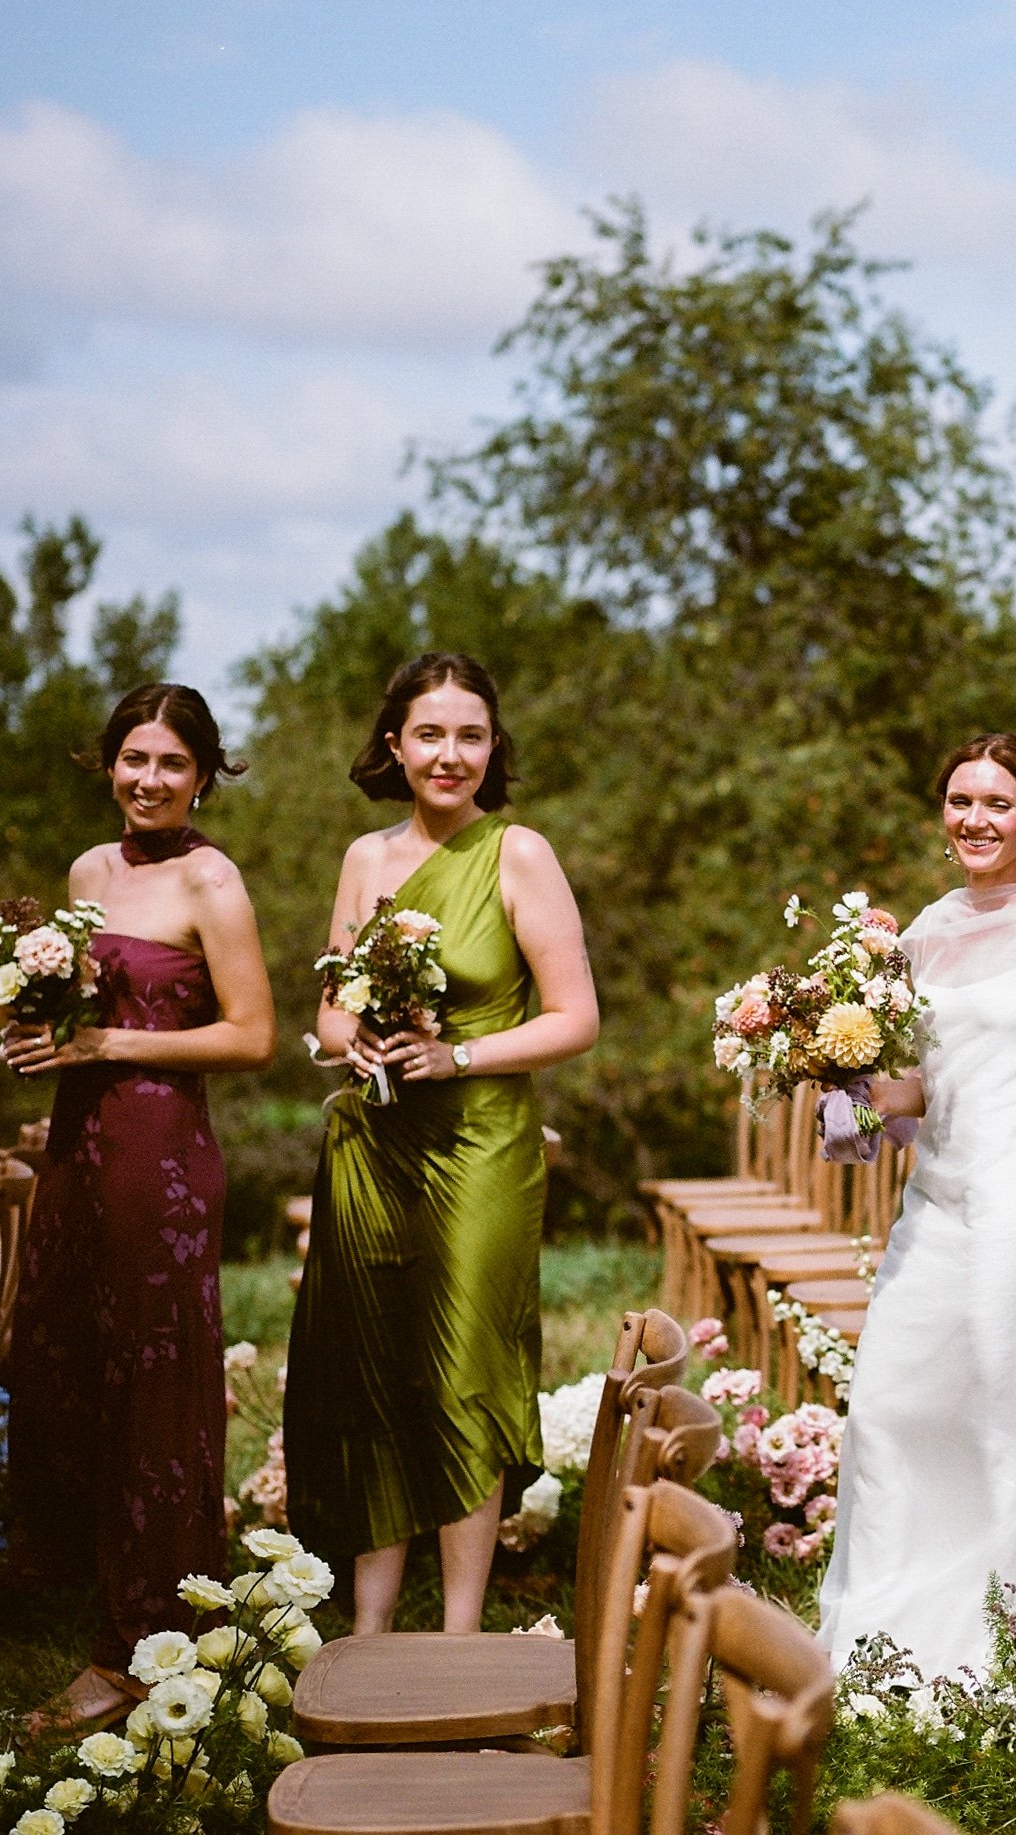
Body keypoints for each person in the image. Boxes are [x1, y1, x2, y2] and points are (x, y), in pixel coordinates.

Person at [285, 654, 598, 1634]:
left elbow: (575, 1017)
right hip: (371, 1145)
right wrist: (361, 1038)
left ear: (492, 747)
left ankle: (462, 1633)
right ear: (395, 746)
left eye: (469, 735)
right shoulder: (363, 859)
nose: (448, 753)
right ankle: (370, 1624)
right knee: (372, 1367)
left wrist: (455, 1056)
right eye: (429, 733)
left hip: (481, 1147)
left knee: (466, 1368)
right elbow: (330, 1016)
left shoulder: (519, 853)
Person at [5, 683, 276, 1732]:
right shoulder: (86, 871)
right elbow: (77, 1011)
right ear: (107, 764)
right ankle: (76, 1576)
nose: (148, 778)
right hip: (79, 1144)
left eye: (171, 762)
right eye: (132, 758)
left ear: (204, 773)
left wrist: (108, 1044)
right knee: (64, 1357)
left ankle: (143, 1642)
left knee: (155, 1381)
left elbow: (252, 1034)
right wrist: (38, 1037)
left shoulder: (214, 879)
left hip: (160, 1160)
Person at [817, 735, 1016, 1679]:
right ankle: (886, 1630)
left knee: (1004, 1400)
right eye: (959, 801)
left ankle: (1014, 1641)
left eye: (997, 803)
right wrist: (846, 1085)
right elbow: (925, 1078)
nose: (974, 819)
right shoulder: (923, 929)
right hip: (937, 1191)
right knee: (888, 1398)